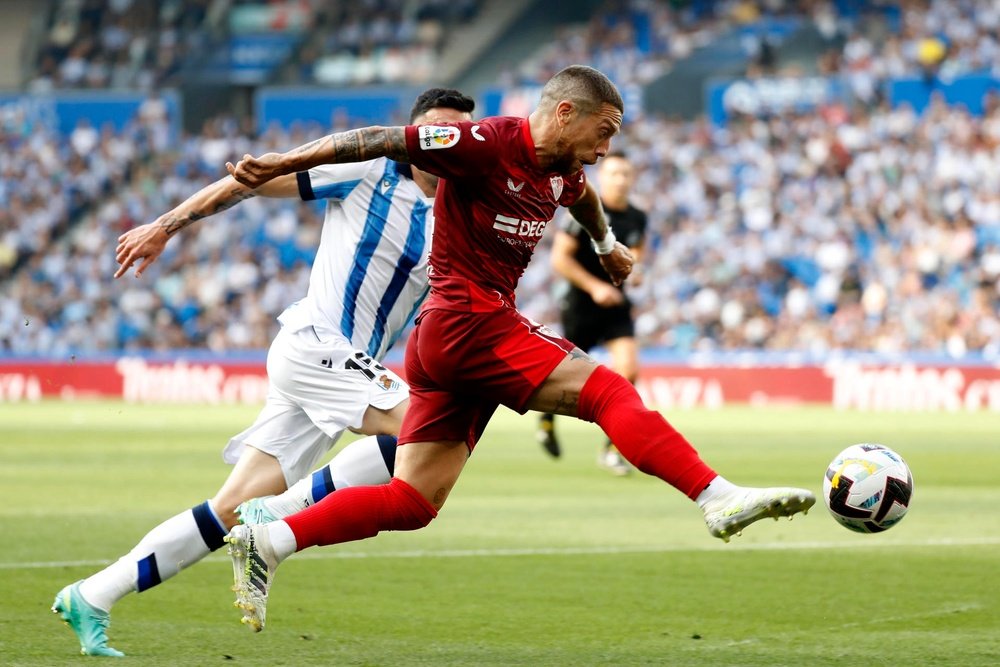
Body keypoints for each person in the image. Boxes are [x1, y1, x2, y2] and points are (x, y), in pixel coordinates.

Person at [223, 65, 815, 632]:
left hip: (445, 345)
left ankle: (272, 540)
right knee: (607, 388)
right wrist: (285, 158)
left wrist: (606, 242)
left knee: (413, 500)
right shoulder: (481, 143)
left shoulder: (564, 169)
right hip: (468, 319)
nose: (607, 148)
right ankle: (716, 496)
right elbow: (378, 138)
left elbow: (581, 198)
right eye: (603, 130)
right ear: (564, 112)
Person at [52, 88, 477, 657]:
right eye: (436, 131)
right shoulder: (368, 171)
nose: (447, 142)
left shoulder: (459, 210)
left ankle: (92, 595)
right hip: (315, 345)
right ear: (413, 134)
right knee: (423, 431)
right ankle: (278, 516)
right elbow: (251, 182)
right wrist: (166, 224)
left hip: (342, 373)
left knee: (227, 509)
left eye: (459, 133)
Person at [536, 150, 646, 473]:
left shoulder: (638, 217)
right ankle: (545, 421)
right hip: (581, 305)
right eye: (614, 174)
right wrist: (594, 287)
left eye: (626, 174)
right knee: (561, 376)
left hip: (616, 306)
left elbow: (636, 257)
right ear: (602, 177)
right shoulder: (583, 213)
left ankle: (613, 448)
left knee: (629, 369)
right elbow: (560, 260)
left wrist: (635, 272)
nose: (621, 180)